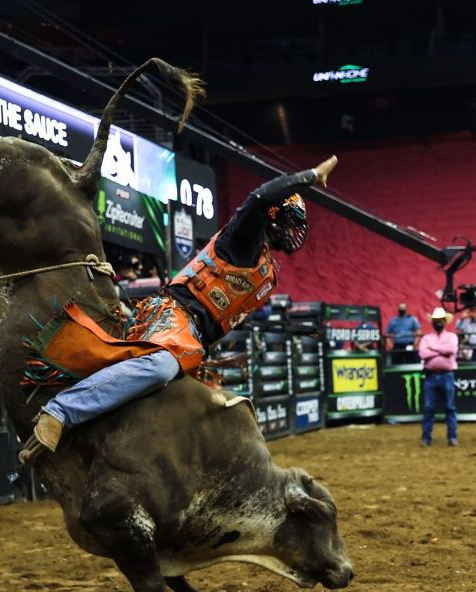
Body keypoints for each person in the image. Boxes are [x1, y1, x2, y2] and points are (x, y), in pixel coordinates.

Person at [18, 155, 339, 463]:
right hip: (175, 314)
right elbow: (258, 197)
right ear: (273, 215)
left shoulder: (264, 268)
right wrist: (310, 176)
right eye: (289, 220)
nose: (293, 230)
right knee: (161, 367)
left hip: (195, 341)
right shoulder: (243, 237)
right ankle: (61, 411)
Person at [418, 307, 459, 447]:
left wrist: (433, 348)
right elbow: (422, 354)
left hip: (446, 375)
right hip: (432, 375)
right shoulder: (426, 338)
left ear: (444, 321)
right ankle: (426, 438)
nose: (438, 322)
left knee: (449, 407)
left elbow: (451, 350)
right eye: (436, 320)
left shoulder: (451, 337)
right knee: (429, 408)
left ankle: (452, 437)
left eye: (440, 320)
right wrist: (441, 350)